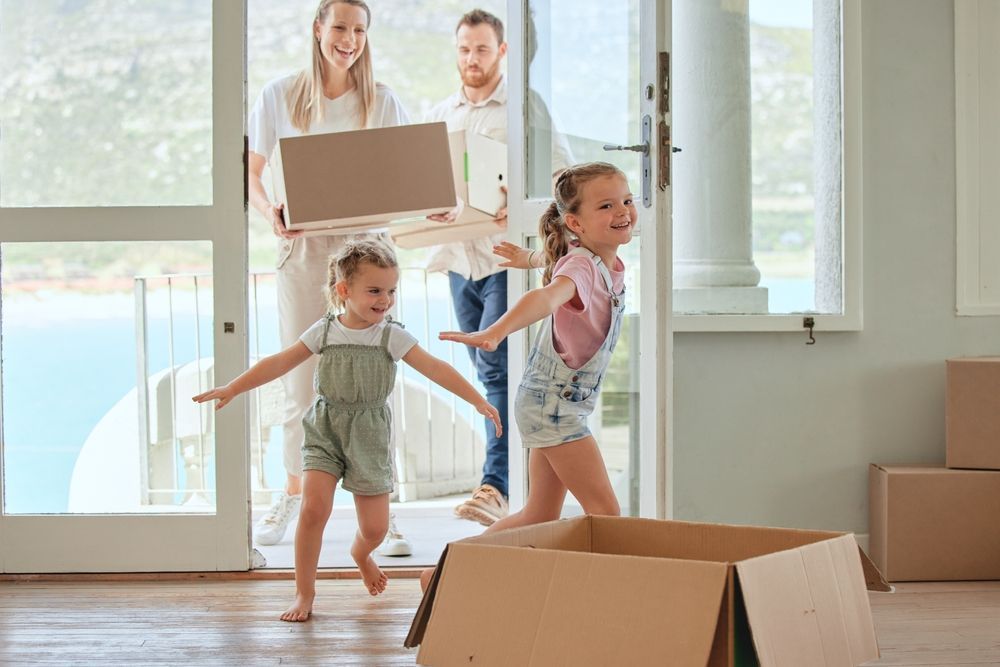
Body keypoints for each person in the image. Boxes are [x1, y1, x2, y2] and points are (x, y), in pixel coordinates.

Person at [194, 239, 501, 621]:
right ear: (344, 291)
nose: (385, 299)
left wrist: (477, 399)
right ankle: (304, 593)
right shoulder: (324, 331)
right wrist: (233, 387)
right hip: (325, 427)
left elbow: (436, 368)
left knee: (373, 528)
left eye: (391, 291)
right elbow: (278, 362)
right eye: (374, 290)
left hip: (370, 434)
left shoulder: (391, 335)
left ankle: (360, 553)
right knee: (313, 509)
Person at [247, 0, 411, 553]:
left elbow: (408, 173)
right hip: (306, 249)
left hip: (367, 252)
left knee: (375, 380)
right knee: (300, 380)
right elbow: (252, 169)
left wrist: (435, 201)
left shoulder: (382, 100)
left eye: (359, 29)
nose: (349, 39)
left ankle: (383, 510)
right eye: (339, 27)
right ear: (318, 30)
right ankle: (292, 494)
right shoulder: (279, 94)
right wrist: (269, 209)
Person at [426, 162, 632, 589]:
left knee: (539, 513)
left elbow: (558, 260)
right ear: (575, 222)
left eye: (626, 201)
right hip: (554, 408)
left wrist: (530, 258)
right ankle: (611, 596)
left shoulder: (599, 259)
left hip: (549, 403)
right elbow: (549, 294)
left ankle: (442, 573)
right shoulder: (581, 268)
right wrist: (496, 331)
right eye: (607, 205)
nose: (623, 212)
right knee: (606, 514)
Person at [424, 9, 572, 526]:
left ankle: (496, 486)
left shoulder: (524, 108)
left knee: (500, 371)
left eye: (482, 49)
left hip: (503, 258)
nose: (472, 59)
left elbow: (562, 176)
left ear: (502, 52)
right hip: (458, 259)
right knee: (488, 371)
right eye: (464, 49)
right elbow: (432, 184)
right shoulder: (441, 113)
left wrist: (523, 201)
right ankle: (507, 488)